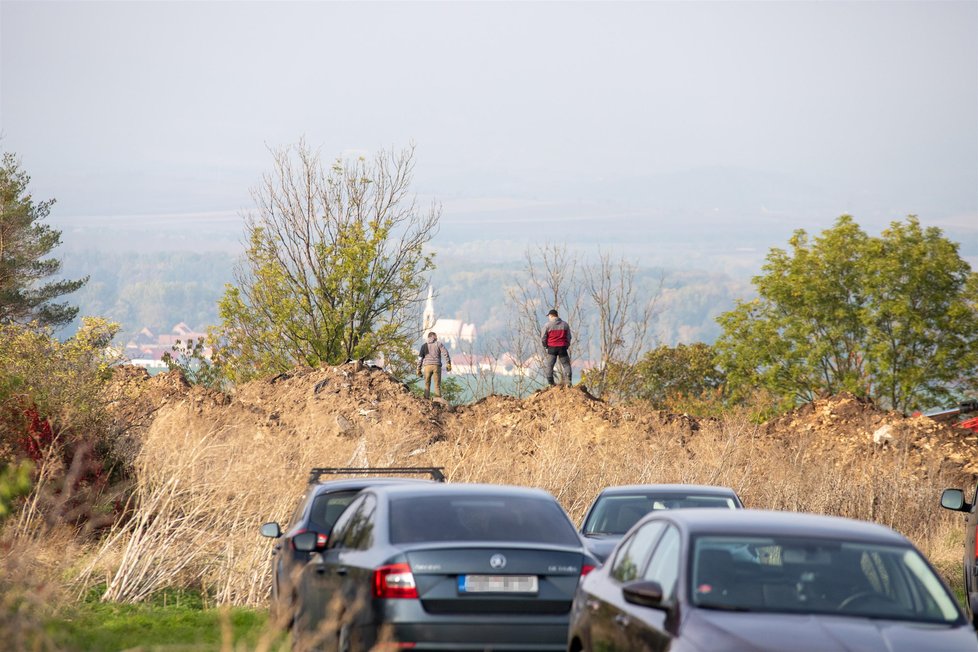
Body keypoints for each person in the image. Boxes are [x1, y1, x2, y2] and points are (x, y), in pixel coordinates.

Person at [541, 309, 572, 386]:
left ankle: (551, 383)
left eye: (549, 316)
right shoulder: (565, 325)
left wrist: (546, 346)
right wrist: (566, 345)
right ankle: (568, 382)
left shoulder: (547, 325)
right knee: (566, 365)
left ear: (551, 316)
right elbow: (569, 337)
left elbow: (543, 338)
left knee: (550, 365)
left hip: (552, 348)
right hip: (562, 347)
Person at [417, 332, 452, 399]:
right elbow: (446, 353)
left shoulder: (424, 346)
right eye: (436, 336)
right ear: (432, 336)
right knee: (437, 385)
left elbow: (420, 358)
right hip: (436, 366)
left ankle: (426, 400)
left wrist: (418, 369)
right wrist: (448, 363)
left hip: (427, 367)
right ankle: (438, 400)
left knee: (427, 384)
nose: (437, 337)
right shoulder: (438, 344)